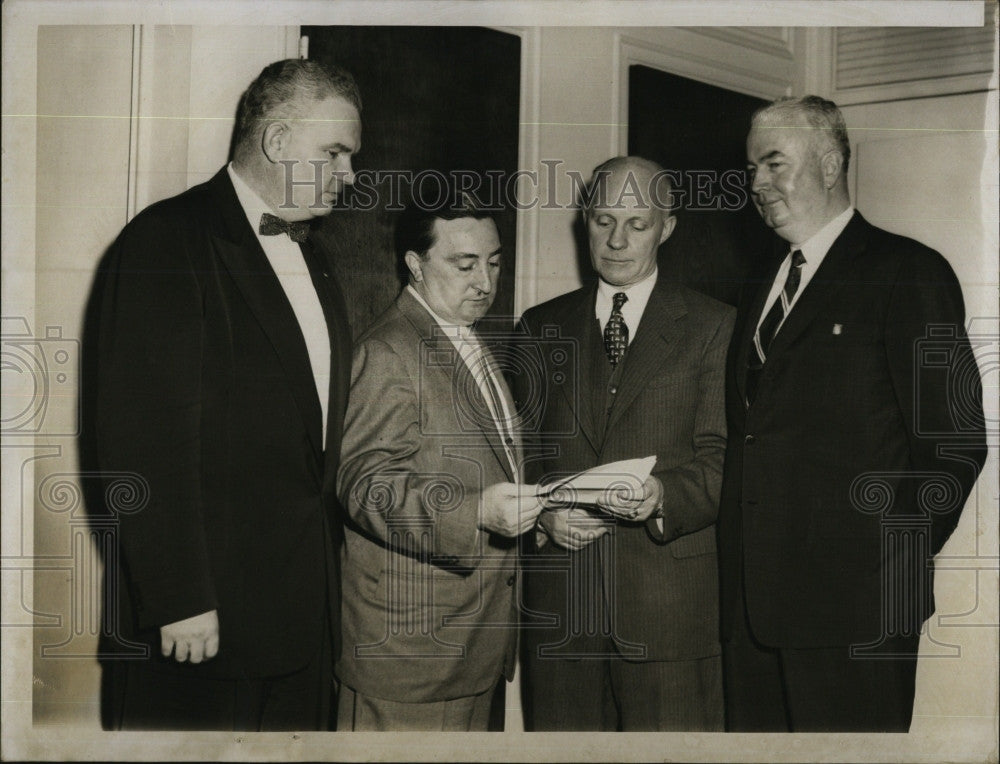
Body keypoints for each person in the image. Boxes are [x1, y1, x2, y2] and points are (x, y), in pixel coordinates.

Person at [94, 59, 361, 730]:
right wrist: (178, 597)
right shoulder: (166, 239)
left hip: (301, 622)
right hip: (201, 626)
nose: (350, 174)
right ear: (276, 142)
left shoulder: (319, 257)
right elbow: (139, 437)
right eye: (336, 152)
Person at [718, 95, 987, 732]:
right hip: (752, 616)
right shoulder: (758, 288)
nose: (756, 184)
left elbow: (954, 446)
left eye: (774, 164)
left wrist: (884, 571)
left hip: (857, 615)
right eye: (751, 168)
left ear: (832, 162)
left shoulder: (908, 273)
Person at [513, 156, 735, 731]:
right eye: (603, 220)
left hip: (670, 614)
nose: (616, 240)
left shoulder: (716, 326)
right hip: (563, 612)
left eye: (637, 224)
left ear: (668, 226)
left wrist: (664, 494)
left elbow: (724, 458)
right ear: (584, 219)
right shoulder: (540, 327)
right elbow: (520, 451)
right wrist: (544, 513)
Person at [335, 189, 544, 731]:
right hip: (411, 663)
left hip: (472, 648)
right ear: (415, 266)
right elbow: (366, 485)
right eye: (464, 263)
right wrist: (474, 513)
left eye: (494, 262)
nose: (485, 281)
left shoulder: (465, 338)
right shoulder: (387, 351)